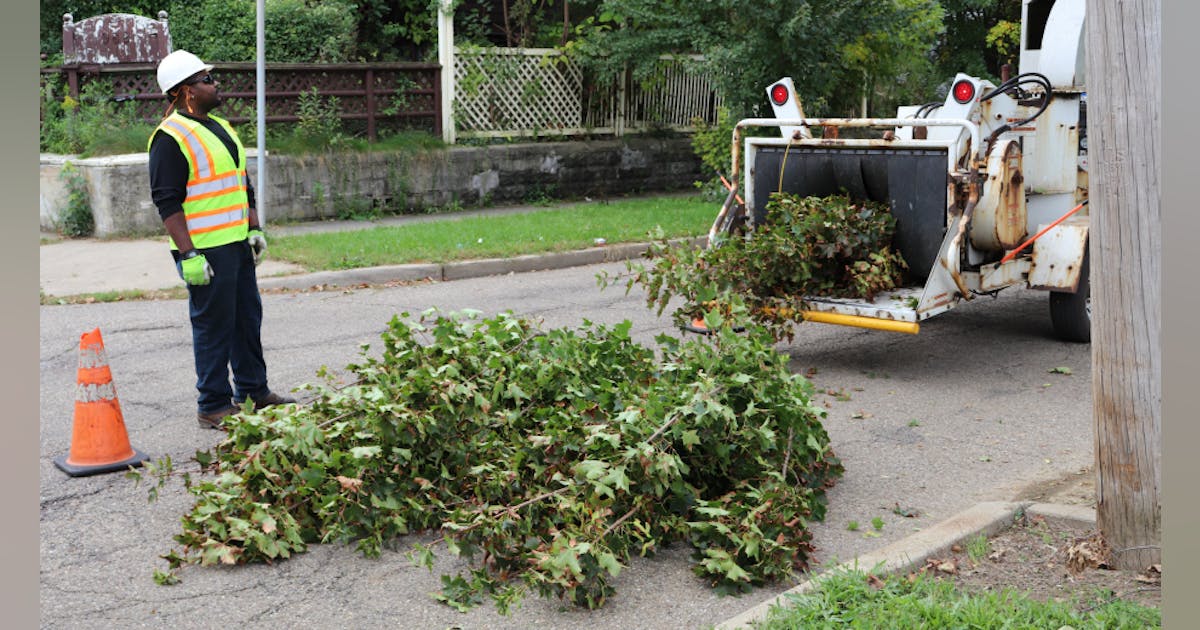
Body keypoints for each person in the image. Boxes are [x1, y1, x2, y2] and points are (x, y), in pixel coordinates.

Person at [148, 50, 295, 429]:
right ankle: (212, 404)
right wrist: (189, 254)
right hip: (204, 248)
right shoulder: (169, 138)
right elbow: (167, 200)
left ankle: (253, 391)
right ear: (186, 92)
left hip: (236, 242)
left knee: (247, 318)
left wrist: (254, 225)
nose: (216, 84)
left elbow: (239, 180)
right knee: (214, 326)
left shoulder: (222, 127)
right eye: (206, 79)